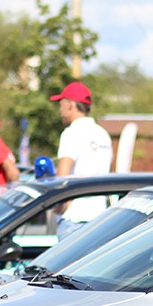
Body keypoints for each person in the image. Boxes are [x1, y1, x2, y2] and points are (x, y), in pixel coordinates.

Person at [51, 81, 113, 237]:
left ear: (70, 105)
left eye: (61, 105)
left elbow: (62, 176)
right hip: (100, 218)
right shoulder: (102, 134)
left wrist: (58, 205)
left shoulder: (71, 133)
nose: (60, 111)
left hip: (75, 218)